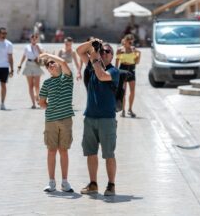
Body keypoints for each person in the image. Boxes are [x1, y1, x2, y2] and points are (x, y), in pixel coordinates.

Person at [76, 39, 119, 196]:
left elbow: (101, 75)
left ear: (112, 56)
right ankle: (93, 184)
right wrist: (91, 43)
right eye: (102, 51)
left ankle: (111, 185)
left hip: (107, 119)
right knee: (90, 152)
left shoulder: (114, 72)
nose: (104, 53)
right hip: (90, 117)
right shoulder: (91, 65)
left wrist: (94, 55)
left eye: (107, 51)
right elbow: (79, 51)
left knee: (109, 154)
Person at [38, 53, 75, 193]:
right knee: (51, 151)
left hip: (66, 119)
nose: (51, 65)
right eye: (48, 65)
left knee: (64, 151)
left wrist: (48, 55)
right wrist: (50, 107)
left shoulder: (67, 77)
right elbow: (41, 102)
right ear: (47, 70)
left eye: (53, 63)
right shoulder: (47, 83)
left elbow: (65, 63)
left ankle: (65, 182)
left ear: (58, 64)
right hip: (50, 120)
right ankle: (51, 182)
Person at [115, 34, 141, 118]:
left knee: (132, 91)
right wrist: (115, 72)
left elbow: (137, 62)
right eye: (129, 41)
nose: (130, 43)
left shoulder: (133, 50)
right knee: (124, 91)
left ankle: (130, 109)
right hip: (123, 69)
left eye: (131, 42)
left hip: (132, 69)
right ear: (124, 41)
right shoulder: (120, 50)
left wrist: (138, 54)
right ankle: (123, 110)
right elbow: (116, 63)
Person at [17, 34, 44, 109]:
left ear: (37, 39)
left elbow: (43, 54)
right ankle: (33, 103)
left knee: (37, 85)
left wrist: (38, 48)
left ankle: (37, 96)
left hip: (36, 64)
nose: (34, 40)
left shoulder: (39, 46)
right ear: (30, 39)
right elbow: (24, 56)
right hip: (28, 64)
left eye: (35, 38)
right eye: (32, 38)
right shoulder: (27, 47)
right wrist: (20, 64)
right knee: (30, 85)